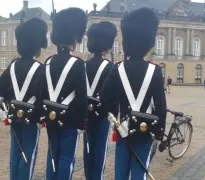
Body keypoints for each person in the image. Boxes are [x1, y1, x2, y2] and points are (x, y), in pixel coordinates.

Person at [99, 7, 167, 180]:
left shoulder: (117, 69)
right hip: (146, 129)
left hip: (123, 127)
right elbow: (160, 106)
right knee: (140, 170)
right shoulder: (155, 71)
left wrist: (116, 116)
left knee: (121, 170)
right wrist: (159, 131)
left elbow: (104, 97)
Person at [0, 17, 47, 180]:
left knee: (16, 152)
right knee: (28, 155)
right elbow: (42, 95)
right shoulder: (40, 68)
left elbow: (0, 88)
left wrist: (14, 100)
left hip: (14, 115)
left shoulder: (13, 65)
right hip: (32, 118)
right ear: (37, 47)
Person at [40, 7, 88, 180]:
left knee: (52, 155)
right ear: (74, 40)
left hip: (51, 116)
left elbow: (43, 91)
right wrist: (83, 121)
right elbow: (82, 96)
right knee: (67, 158)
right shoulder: (78, 63)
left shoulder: (48, 61)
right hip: (70, 118)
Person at [83, 21, 117, 180]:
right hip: (102, 114)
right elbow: (112, 95)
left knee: (87, 148)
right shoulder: (110, 67)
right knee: (100, 151)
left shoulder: (84, 65)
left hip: (86, 113)